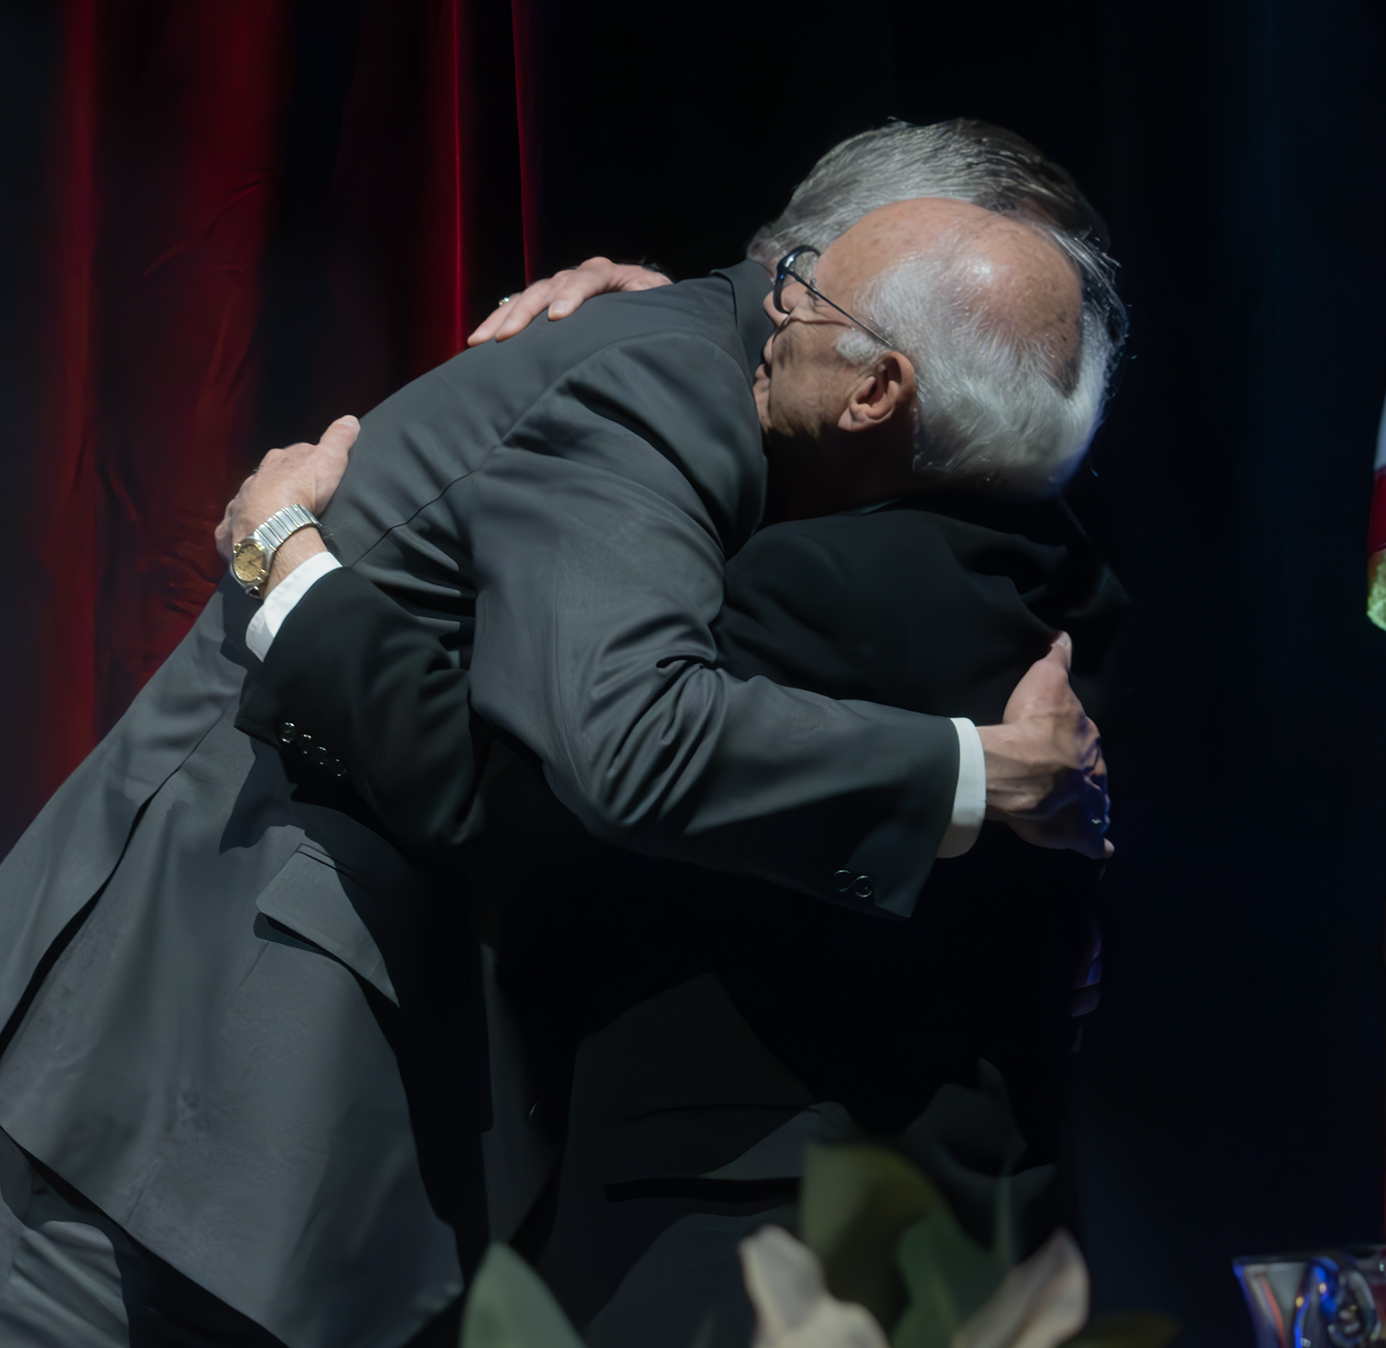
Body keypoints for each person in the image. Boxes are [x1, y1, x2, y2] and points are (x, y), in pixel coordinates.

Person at [0, 120, 1116, 1348]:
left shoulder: (758, 436)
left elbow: (571, 764)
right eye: (790, 275)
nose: (768, 302)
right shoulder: (668, 378)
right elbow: (623, 744)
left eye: (801, 283)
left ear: (881, 387)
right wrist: (976, 774)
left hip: (288, 1117)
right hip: (184, 1064)